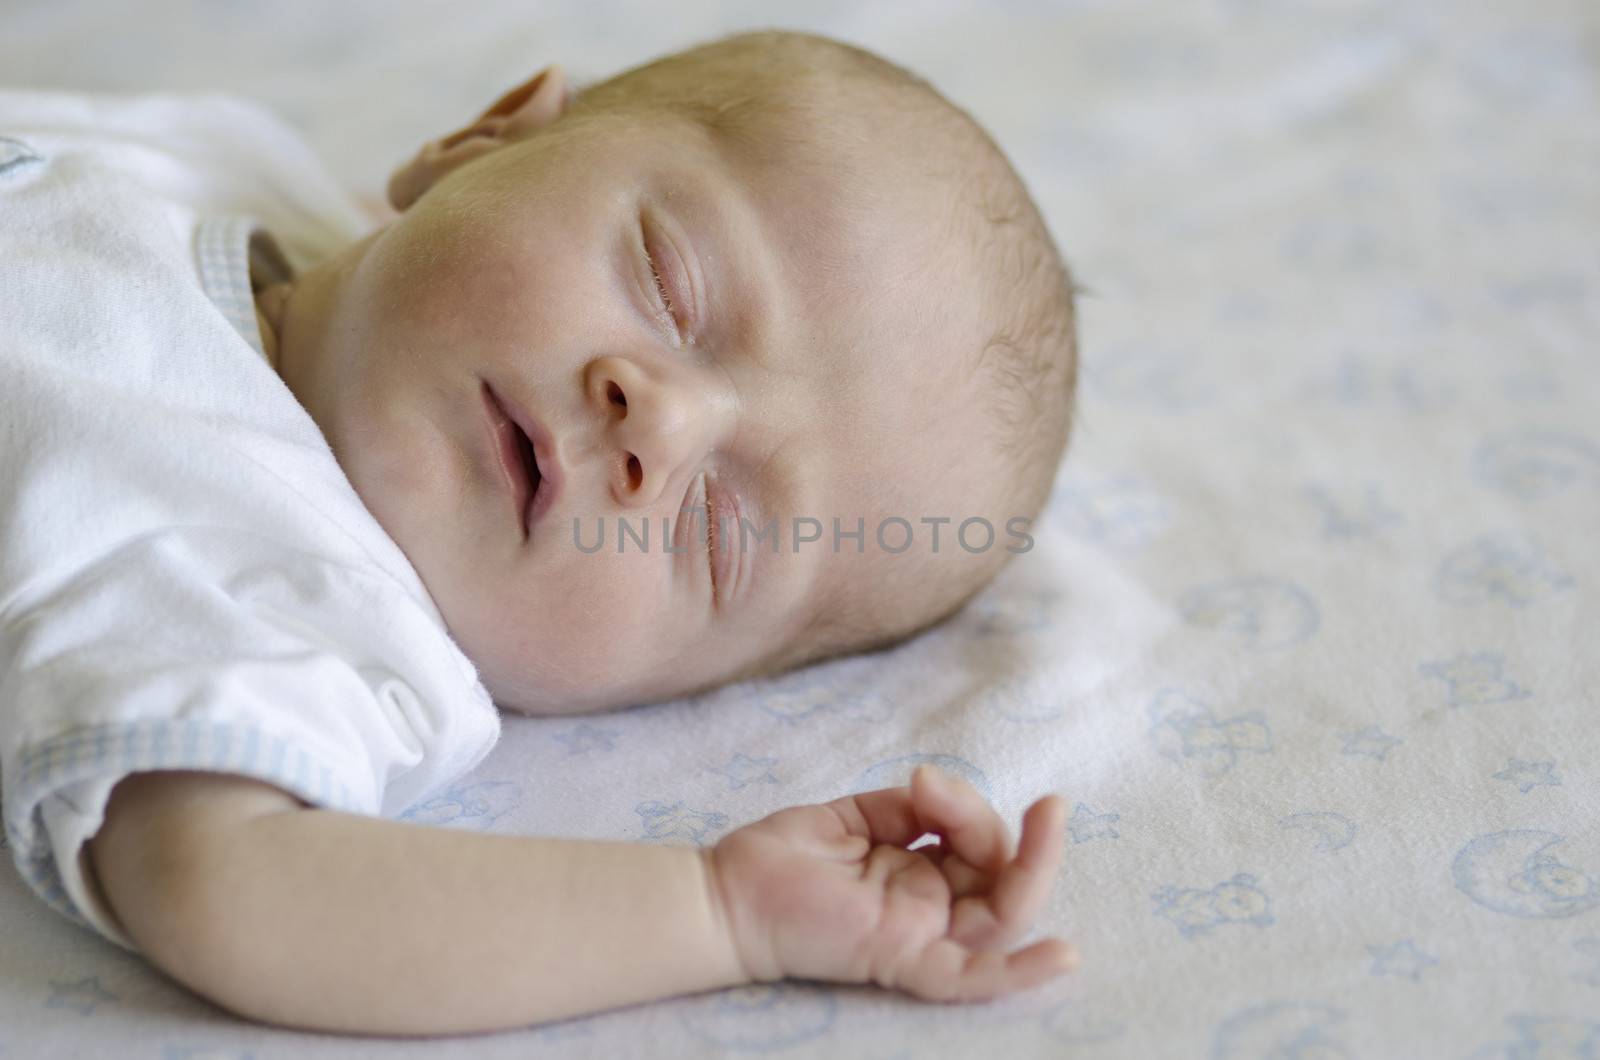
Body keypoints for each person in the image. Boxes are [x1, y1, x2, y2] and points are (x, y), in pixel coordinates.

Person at [1, 30, 1080, 1035]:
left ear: (661, 690)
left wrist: (723, 911)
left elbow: (229, 886)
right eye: (669, 284)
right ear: (485, 138)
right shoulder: (225, 167)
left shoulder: (280, 613)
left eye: (718, 529)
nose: (663, 421)